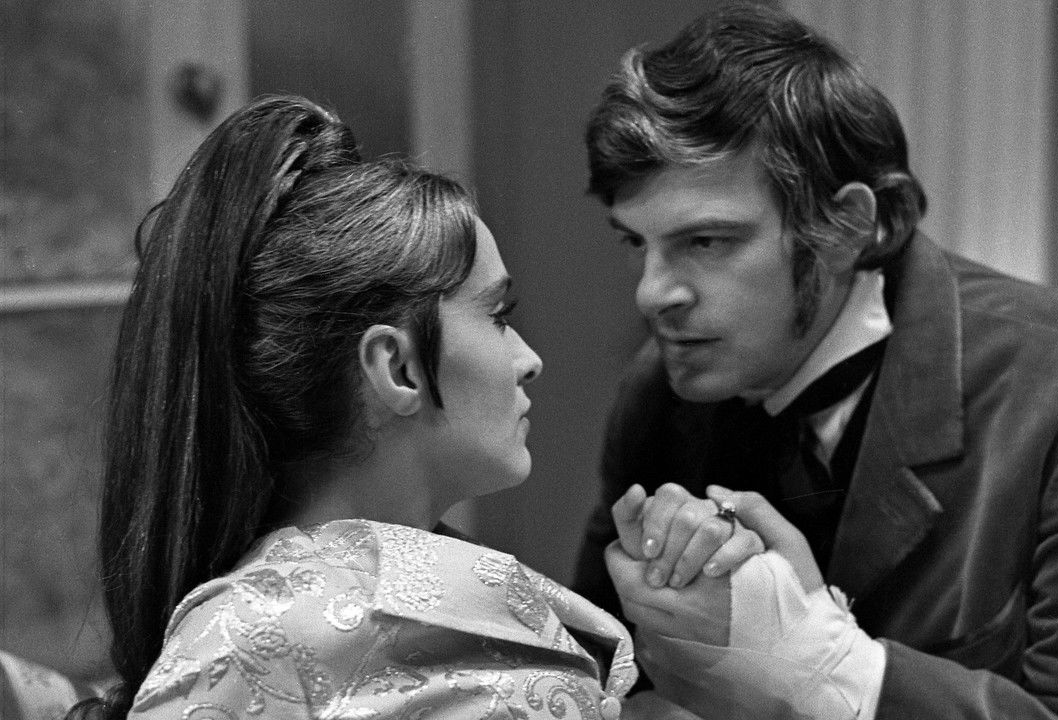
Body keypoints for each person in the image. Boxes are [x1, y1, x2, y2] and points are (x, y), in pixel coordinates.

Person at [572, 5, 1058, 719]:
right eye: (637, 243)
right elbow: (591, 677)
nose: (652, 293)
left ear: (846, 225)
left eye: (706, 242)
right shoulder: (657, 393)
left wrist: (831, 670)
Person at [68, 95, 638, 720]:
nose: (529, 359)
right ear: (397, 368)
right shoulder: (251, 640)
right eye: (497, 315)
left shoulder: (430, 621)